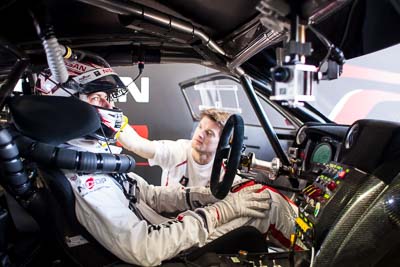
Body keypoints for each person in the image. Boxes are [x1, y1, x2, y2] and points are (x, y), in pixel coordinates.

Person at [34, 55, 301, 266]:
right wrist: (222, 211)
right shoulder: (88, 181)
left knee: (257, 198)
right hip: (169, 252)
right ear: (68, 108)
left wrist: (205, 196)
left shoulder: (90, 159)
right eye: (98, 99)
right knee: (268, 205)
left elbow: (148, 194)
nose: (111, 107)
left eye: (107, 99)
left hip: (169, 232)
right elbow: (145, 249)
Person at [117, 108, 231, 187]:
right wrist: (114, 117)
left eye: (209, 133)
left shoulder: (226, 169)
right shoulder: (178, 150)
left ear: (223, 142)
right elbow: (136, 144)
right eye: (200, 127)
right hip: (167, 220)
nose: (200, 134)